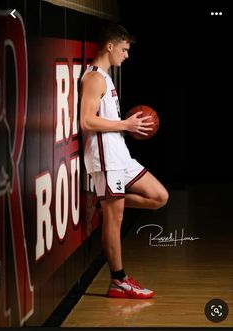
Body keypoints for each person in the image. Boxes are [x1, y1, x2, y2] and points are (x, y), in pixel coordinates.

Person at [80, 22, 169, 299]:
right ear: (109, 46)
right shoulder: (94, 78)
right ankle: (118, 280)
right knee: (114, 218)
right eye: (124, 49)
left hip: (120, 155)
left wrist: (125, 127)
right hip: (106, 159)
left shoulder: (106, 77)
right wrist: (126, 125)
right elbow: (86, 121)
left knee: (159, 197)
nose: (127, 55)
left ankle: (99, 201)